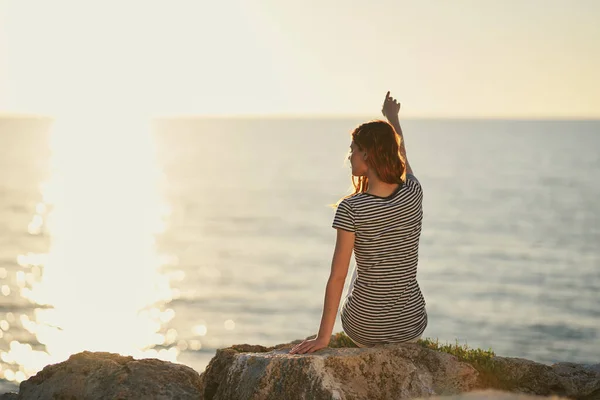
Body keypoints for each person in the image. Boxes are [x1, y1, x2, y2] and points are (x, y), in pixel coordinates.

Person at [290, 91, 427, 354]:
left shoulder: (351, 208)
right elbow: (403, 157)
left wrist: (322, 338)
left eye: (352, 150)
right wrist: (393, 119)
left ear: (367, 154)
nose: (349, 156)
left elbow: (337, 277)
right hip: (410, 327)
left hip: (364, 328)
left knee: (356, 267)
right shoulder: (414, 192)